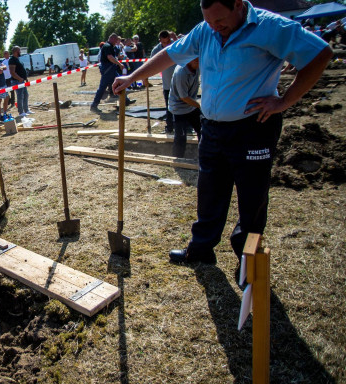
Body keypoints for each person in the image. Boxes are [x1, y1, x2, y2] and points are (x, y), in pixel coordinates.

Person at [112, 0, 332, 279]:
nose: (216, 29)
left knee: (251, 197)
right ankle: (202, 248)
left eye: (221, 22)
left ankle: (248, 259)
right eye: (210, 22)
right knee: (209, 190)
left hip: (253, 128)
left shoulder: (270, 27)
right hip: (213, 128)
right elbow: (171, 54)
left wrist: (285, 101)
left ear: (238, 6)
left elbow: (320, 54)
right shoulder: (205, 30)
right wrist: (132, 76)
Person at [168, 58, 201, 158]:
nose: (199, 63)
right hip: (179, 108)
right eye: (197, 61)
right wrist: (200, 106)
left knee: (202, 130)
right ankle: (178, 159)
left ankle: (204, 155)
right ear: (190, 60)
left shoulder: (197, 67)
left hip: (191, 106)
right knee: (181, 136)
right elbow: (184, 97)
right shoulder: (181, 73)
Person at [90, 33, 130, 113]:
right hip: (107, 70)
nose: (116, 42)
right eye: (116, 40)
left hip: (112, 70)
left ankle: (126, 100)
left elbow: (114, 56)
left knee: (120, 83)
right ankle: (94, 105)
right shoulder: (107, 46)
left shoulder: (111, 46)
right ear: (112, 38)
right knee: (102, 88)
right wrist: (119, 64)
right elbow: (110, 57)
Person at [150, 30, 178, 134]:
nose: (166, 44)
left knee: (183, 105)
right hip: (167, 84)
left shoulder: (175, 44)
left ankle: (185, 127)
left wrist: (175, 38)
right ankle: (170, 127)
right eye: (164, 42)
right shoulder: (157, 49)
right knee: (169, 106)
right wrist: (145, 78)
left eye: (168, 42)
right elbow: (150, 63)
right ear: (160, 40)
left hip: (179, 82)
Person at [8, 46, 33, 117]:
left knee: (25, 95)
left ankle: (26, 110)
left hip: (22, 81)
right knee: (20, 96)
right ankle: (21, 112)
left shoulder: (17, 59)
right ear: (16, 52)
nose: (20, 52)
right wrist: (19, 78)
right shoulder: (12, 60)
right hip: (17, 81)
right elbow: (12, 72)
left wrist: (25, 78)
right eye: (19, 51)